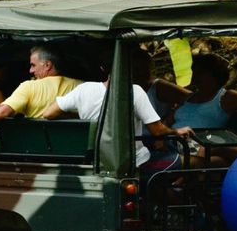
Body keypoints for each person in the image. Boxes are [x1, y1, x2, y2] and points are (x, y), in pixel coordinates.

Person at [41, 69, 193, 167]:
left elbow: (49, 113)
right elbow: (157, 131)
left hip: (98, 161)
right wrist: (176, 131)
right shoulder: (135, 91)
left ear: (103, 70)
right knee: (182, 162)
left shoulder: (84, 89)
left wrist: (81, 115)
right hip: (135, 163)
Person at [171, 53, 237, 165]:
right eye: (195, 71)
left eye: (201, 73)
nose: (196, 76)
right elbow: (168, 121)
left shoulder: (226, 97)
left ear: (214, 74)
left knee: (215, 160)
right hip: (173, 140)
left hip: (199, 145)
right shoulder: (187, 97)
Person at [0, 44, 79, 123]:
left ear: (47, 65)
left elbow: (0, 113)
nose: (30, 71)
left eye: (33, 65)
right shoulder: (81, 86)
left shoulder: (29, 86)